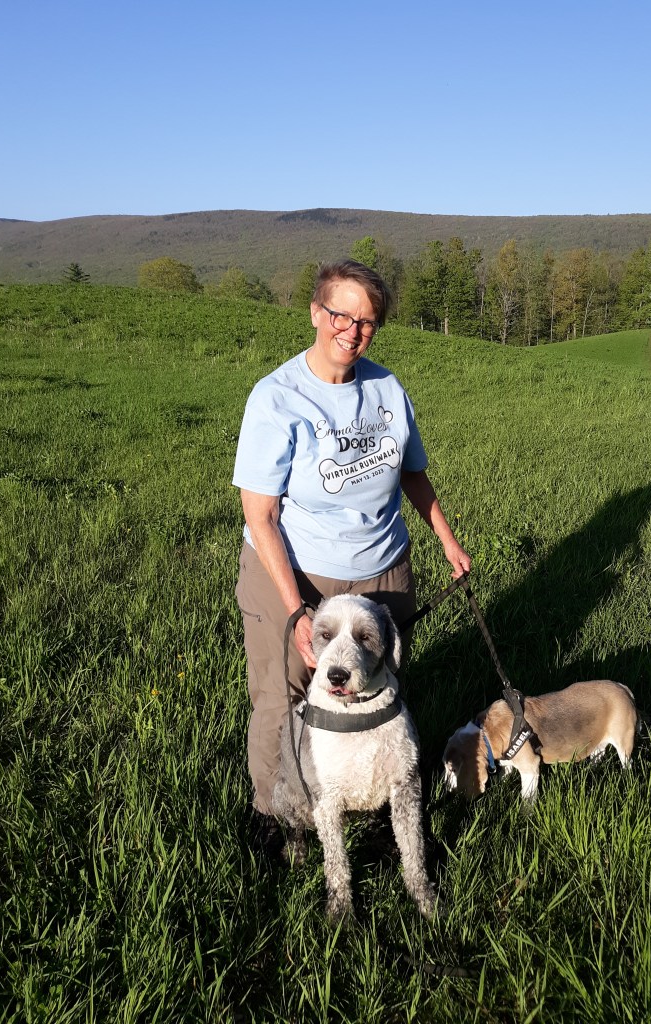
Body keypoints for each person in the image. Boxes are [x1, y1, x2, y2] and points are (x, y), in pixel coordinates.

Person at [232, 260, 470, 841]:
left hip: (383, 569)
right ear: (316, 313)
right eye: (340, 314)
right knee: (284, 693)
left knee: (380, 684)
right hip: (297, 572)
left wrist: (446, 539)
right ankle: (276, 813)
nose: (352, 330)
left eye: (366, 321)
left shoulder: (387, 389)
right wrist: (294, 611)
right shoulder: (277, 398)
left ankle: (385, 803)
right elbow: (259, 515)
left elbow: (412, 472)